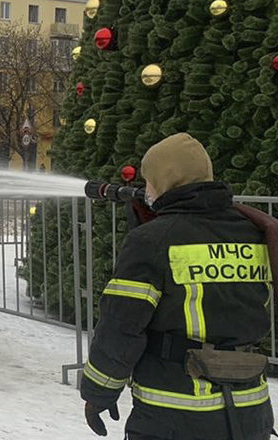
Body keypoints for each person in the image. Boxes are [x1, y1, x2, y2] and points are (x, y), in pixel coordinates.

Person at [81, 133, 274, 439]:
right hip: (251, 413)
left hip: (174, 415)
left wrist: (98, 392)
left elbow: (122, 325)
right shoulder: (254, 232)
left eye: (150, 180)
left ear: (164, 181)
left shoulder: (153, 241)